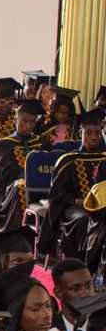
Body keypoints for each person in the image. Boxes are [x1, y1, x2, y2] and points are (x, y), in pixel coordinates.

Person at [42, 111, 106, 259]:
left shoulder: (104, 158)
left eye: (97, 133)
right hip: (75, 207)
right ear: (80, 133)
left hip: (102, 208)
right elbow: (56, 194)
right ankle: (81, 262)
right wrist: (77, 201)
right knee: (85, 219)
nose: (94, 137)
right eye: (88, 133)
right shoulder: (68, 161)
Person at [51, 259, 94, 331]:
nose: (85, 293)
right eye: (75, 289)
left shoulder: (101, 328)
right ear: (58, 293)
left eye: (88, 286)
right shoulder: (48, 330)